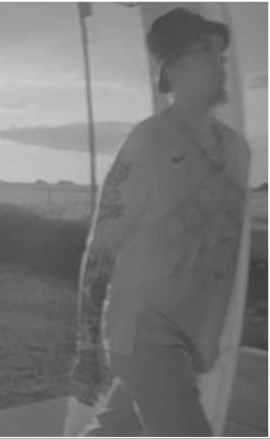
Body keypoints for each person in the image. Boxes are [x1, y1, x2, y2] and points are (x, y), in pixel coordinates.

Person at [69, 8, 252, 436]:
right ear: (172, 66)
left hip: (194, 340)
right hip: (144, 336)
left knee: (117, 429)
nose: (219, 59)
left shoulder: (237, 151)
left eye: (220, 51)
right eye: (204, 49)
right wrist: (86, 350)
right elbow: (101, 252)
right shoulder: (148, 144)